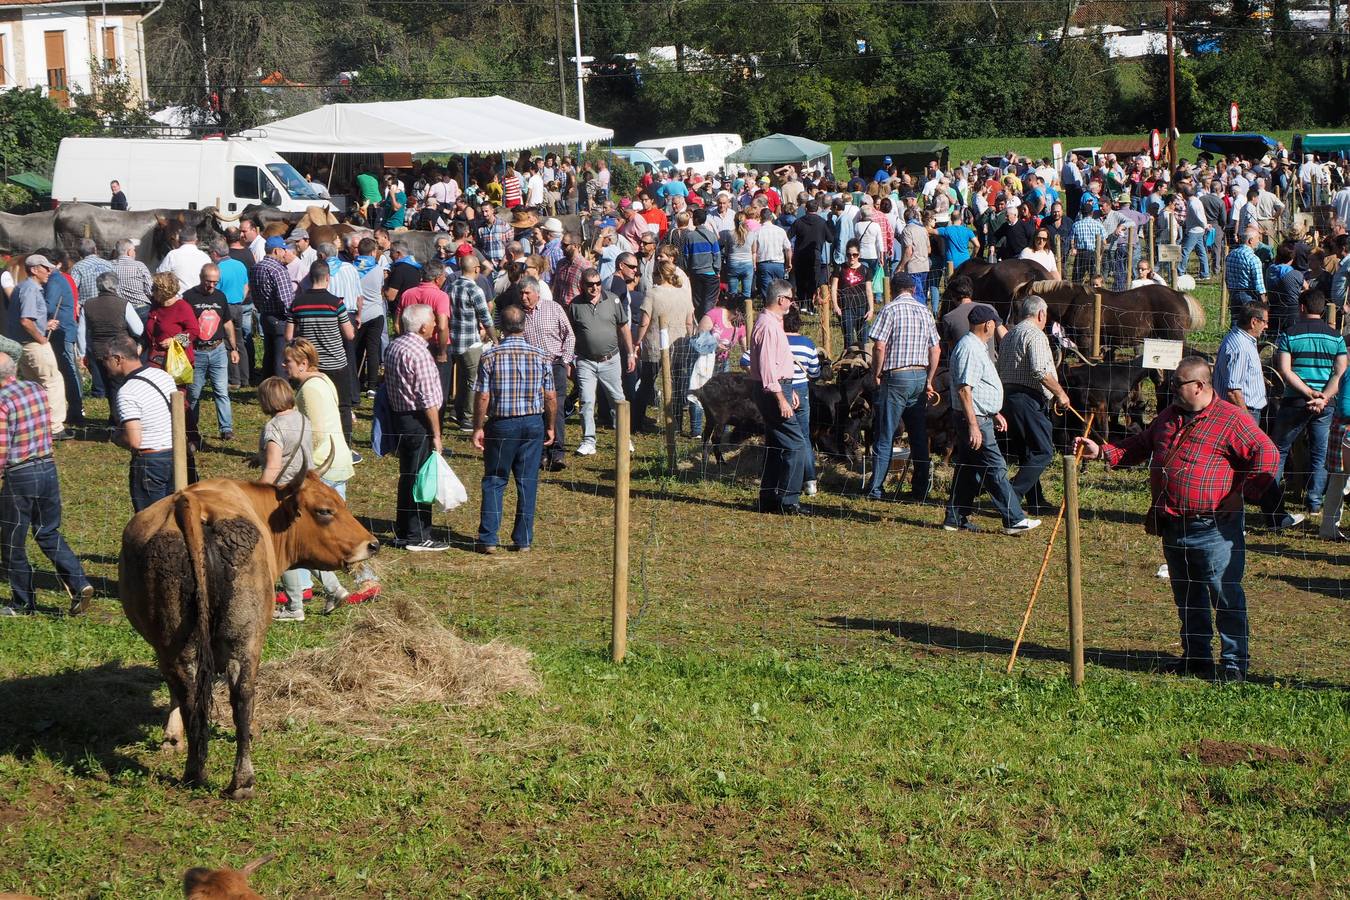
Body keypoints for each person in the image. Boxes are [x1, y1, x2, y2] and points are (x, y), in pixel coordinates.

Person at [1075, 357, 1278, 683]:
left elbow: (1266, 453)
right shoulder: (1169, 416)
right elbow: (1141, 445)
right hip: (1173, 522)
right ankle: (1196, 658)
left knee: (1224, 594)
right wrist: (1102, 452)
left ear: (1199, 386)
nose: (1169, 389)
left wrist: (1244, 492)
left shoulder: (1231, 419)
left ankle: (1233, 664)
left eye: (1177, 384)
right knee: (1187, 596)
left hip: (1213, 527)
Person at [276, 343, 379, 616]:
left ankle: (365, 578)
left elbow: (318, 432)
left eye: (288, 361)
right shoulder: (323, 381)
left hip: (324, 466)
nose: (284, 364)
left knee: (333, 530)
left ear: (303, 363)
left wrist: (306, 467)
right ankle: (303, 586)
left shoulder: (309, 389)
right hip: (335, 461)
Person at [0, 352, 94, 617]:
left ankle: (22, 603)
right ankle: (80, 583)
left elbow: (1, 447)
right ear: (13, 369)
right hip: (47, 466)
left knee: (12, 542)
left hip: (20, 474)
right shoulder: (34, 389)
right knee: (48, 531)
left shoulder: (2, 402)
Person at [944, 305, 1041, 535]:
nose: (995, 327)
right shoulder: (969, 348)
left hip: (981, 416)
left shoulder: (976, 346)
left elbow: (977, 387)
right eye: (994, 323)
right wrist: (974, 425)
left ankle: (954, 518)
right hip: (975, 419)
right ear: (987, 325)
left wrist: (994, 411)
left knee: (968, 469)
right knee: (996, 467)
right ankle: (1013, 519)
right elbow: (964, 390)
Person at [471, 305, 556, 554]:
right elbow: (550, 396)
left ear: (502, 328)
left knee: (496, 479)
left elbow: (483, 396)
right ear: (524, 325)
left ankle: (488, 538)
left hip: (502, 423)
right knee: (527, 480)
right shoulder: (540, 356)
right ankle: (524, 539)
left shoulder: (490, 356)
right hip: (532, 422)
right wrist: (550, 425)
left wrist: (478, 426)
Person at [1267, 290, 1347, 521]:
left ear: (1302, 307)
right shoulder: (1337, 338)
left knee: (1279, 450)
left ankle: (1273, 500)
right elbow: (1340, 372)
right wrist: (1323, 397)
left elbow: (1285, 369)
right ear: (1322, 309)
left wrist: (1307, 392)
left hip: (1295, 400)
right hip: (1326, 403)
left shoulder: (1289, 335)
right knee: (1320, 453)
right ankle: (1314, 504)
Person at [865, 272, 939, 504]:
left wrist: (876, 372)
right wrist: (929, 379)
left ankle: (876, 487)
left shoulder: (890, 310)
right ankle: (921, 489)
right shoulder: (924, 311)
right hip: (919, 375)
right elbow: (935, 349)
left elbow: (879, 345)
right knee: (918, 436)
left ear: (894, 290)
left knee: (885, 434)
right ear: (914, 290)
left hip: (896, 375)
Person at [996, 296, 1072, 515]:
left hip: (1009, 398)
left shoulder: (1011, 335)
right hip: (1027, 398)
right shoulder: (1036, 335)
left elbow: (1000, 366)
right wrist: (1060, 393)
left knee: (1028, 452)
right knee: (1044, 451)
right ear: (1041, 314)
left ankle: (1035, 500)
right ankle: (1010, 495)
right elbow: (1039, 370)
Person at [384, 304, 447, 551]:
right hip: (418, 420)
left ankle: (404, 529)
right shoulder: (419, 353)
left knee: (408, 475)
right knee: (422, 477)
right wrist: (437, 433)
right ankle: (417, 534)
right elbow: (428, 400)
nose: (435, 324)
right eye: (432, 320)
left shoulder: (395, 346)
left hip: (400, 417)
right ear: (423, 327)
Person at [749, 279, 810, 513]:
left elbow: (777, 362)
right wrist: (781, 398)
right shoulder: (767, 326)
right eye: (791, 299)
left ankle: (769, 497)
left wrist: (789, 388)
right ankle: (788, 500)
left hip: (780, 388)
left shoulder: (773, 323)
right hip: (772, 391)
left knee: (776, 444)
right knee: (795, 444)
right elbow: (767, 369)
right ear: (781, 299)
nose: (792, 303)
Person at [100, 334, 177, 512]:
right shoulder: (163, 375)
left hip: (150, 463)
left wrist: (116, 437)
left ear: (118, 359)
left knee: (150, 523)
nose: (104, 364)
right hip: (175, 456)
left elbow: (134, 440)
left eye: (105, 359)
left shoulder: (127, 392)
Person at [286, 261, 356, 447]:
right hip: (336, 363)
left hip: (311, 366)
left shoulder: (297, 303)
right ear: (327, 278)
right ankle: (345, 446)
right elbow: (349, 334)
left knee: (311, 405)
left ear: (309, 278)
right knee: (342, 406)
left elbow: (288, 335)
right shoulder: (336, 303)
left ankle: (312, 443)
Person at [569, 268, 635, 456]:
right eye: (590, 285)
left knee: (618, 401)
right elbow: (571, 333)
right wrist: (571, 359)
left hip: (611, 360)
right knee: (587, 401)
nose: (595, 288)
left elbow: (624, 327)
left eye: (598, 283)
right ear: (582, 285)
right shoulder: (575, 305)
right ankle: (588, 440)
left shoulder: (613, 300)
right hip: (585, 361)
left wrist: (630, 353)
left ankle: (624, 438)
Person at [6, 255, 68, 439]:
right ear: (34, 270)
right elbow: (25, 321)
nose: (49, 271)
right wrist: (41, 338)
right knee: (52, 381)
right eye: (46, 268)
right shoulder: (31, 290)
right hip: (33, 345)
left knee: (34, 385)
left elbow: (27, 319)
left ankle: (38, 423)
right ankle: (55, 428)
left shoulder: (23, 287)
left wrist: (44, 324)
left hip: (23, 344)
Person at [517, 274, 574, 470]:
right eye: (521, 293)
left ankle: (557, 453)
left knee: (556, 407)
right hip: (531, 369)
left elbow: (569, 335)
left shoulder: (554, 308)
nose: (524, 297)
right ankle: (540, 453)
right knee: (537, 409)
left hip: (555, 364)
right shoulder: (518, 315)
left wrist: (565, 360)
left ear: (537, 293)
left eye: (527, 293)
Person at [184, 263, 239, 443]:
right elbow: (184, 326)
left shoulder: (221, 297)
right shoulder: (189, 297)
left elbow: (227, 323)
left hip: (218, 349)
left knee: (221, 391)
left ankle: (226, 428)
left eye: (215, 282)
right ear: (201, 278)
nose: (212, 286)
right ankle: (191, 429)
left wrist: (233, 348)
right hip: (198, 351)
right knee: (194, 394)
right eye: (209, 282)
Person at [82, 270, 144, 426]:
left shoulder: (88, 305)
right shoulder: (123, 304)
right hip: (120, 352)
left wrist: (83, 353)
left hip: (98, 351)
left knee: (108, 387)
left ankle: (114, 417)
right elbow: (138, 329)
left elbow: (81, 331)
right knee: (120, 385)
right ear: (116, 286)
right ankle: (121, 420)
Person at [447, 253, 498, 432]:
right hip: (470, 342)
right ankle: (467, 418)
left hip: (453, 341)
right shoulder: (475, 290)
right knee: (472, 380)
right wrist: (495, 339)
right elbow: (486, 318)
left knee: (461, 378)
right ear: (476, 269)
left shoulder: (451, 286)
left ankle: (457, 410)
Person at [1213, 302, 1269, 421]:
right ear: (1254, 322)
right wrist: (1247, 420)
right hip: (1243, 411)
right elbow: (1233, 391)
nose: (1266, 326)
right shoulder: (1241, 347)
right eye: (1265, 322)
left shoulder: (1238, 339)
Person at [250, 235, 296, 378]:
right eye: (283, 250)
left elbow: (254, 295)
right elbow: (287, 300)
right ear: (276, 251)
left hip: (265, 316)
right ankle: (281, 391)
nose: (285, 253)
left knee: (269, 355)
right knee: (280, 358)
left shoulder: (256, 268)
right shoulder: (278, 270)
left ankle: (267, 388)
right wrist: (293, 319)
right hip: (280, 318)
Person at [831, 239, 874, 350]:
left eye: (855, 255)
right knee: (848, 339)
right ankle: (848, 361)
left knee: (864, 340)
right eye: (849, 255)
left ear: (859, 254)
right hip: (846, 308)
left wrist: (871, 309)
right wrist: (835, 305)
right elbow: (834, 287)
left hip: (862, 307)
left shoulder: (865, 270)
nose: (852, 258)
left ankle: (864, 363)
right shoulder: (840, 268)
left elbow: (869, 290)